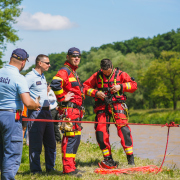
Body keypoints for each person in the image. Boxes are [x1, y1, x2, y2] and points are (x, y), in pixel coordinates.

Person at [83, 58, 137, 169]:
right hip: (102, 106)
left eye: (108, 72)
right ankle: (108, 159)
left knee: (124, 131)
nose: (106, 74)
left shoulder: (121, 74)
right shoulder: (97, 75)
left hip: (117, 105)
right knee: (100, 132)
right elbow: (84, 87)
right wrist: (96, 92)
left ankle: (130, 159)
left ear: (112, 67)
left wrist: (121, 86)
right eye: (104, 72)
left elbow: (134, 86)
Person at [0, 48, 40, 180]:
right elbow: (28, 103)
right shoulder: (19, 78)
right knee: (11, 153)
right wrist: (36, 105)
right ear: (23, 62)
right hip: (11, 118)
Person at [50, 47, 88, 176]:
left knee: (75, 139)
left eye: (78, 56)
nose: (76, 58)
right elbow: (55, 84)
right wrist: (62, 99)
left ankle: (72, 166)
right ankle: (68, 169)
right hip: (69, 111)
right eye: (73, 56)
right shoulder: (65, 70)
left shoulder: (73, 72)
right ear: (68, 57)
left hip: (76, 112)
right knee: (70, 139)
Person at [25, 54, 56, 174]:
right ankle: (36, 170)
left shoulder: (42, 76)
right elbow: (22, 92)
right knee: (36, 143)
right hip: (36, 112)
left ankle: (50, 168)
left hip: (47, 112)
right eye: (47, 63)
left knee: (51, 143)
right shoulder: (30, 76)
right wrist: (32, 104)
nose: (49, 65)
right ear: (40, 63)